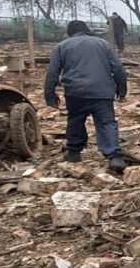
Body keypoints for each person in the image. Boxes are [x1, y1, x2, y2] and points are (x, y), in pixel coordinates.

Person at [44, 20, 127, 171]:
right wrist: (121, 89)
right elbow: (118, 68)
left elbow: (52, 73)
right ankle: (114, 156)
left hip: (75, 92)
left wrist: (49, 94)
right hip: (102, 91)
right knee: (106, 122)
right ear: (88, 30)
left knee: (75, 120)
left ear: (70, 33)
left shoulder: (62, 46)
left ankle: (73, 152)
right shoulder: (103, 44)